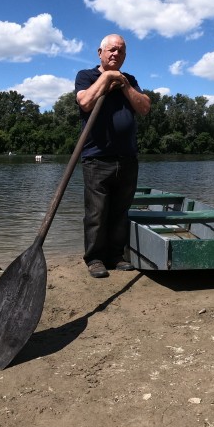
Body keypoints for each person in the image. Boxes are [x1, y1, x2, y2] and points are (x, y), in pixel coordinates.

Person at [74, 34, 150, 278]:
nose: (116, 54)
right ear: (100, 52)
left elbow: (145, 108)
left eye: (121, 51)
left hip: (127, 157)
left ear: (125, 56)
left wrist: (125, 85)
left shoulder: (131, 80)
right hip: (97, 157)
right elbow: (85, 102)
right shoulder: (86, 76)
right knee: (96, 212)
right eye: (111, 50)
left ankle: (116, 256)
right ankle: (94, 258)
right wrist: (107, 77)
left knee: (120, 210)